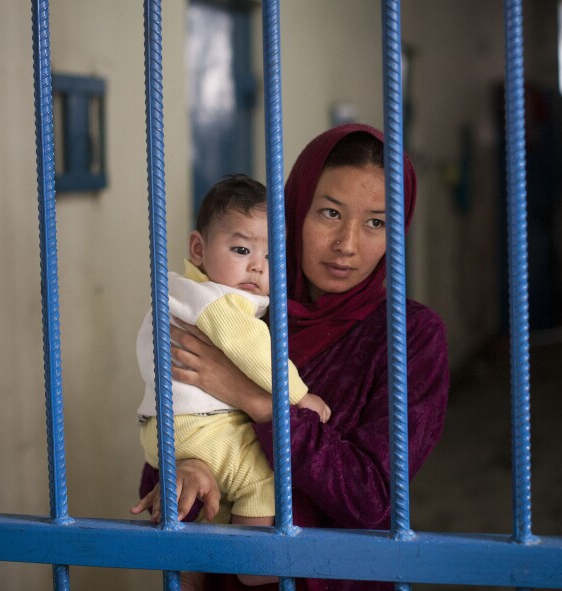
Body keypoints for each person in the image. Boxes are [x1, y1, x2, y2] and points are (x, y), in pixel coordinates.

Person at [132, 124, 450, 590]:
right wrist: (187, 472)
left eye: (376, 222)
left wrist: (257, 400)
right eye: (329, 213)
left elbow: (370, 497)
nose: (347, 244)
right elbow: (169, 465)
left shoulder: (410, 336)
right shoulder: (238, 309)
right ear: (294, 210)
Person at [135, 174, 331, 589]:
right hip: (201, 425)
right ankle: (253, 564)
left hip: (169, 430)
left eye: (270, 255)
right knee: (261, 474)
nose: (257, 266)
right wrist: (300, 396)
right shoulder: (219, 303)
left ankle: (187, 575)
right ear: (198, 249)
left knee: (205, 501)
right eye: (241, 249)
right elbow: (259, 354)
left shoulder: (181, 293)